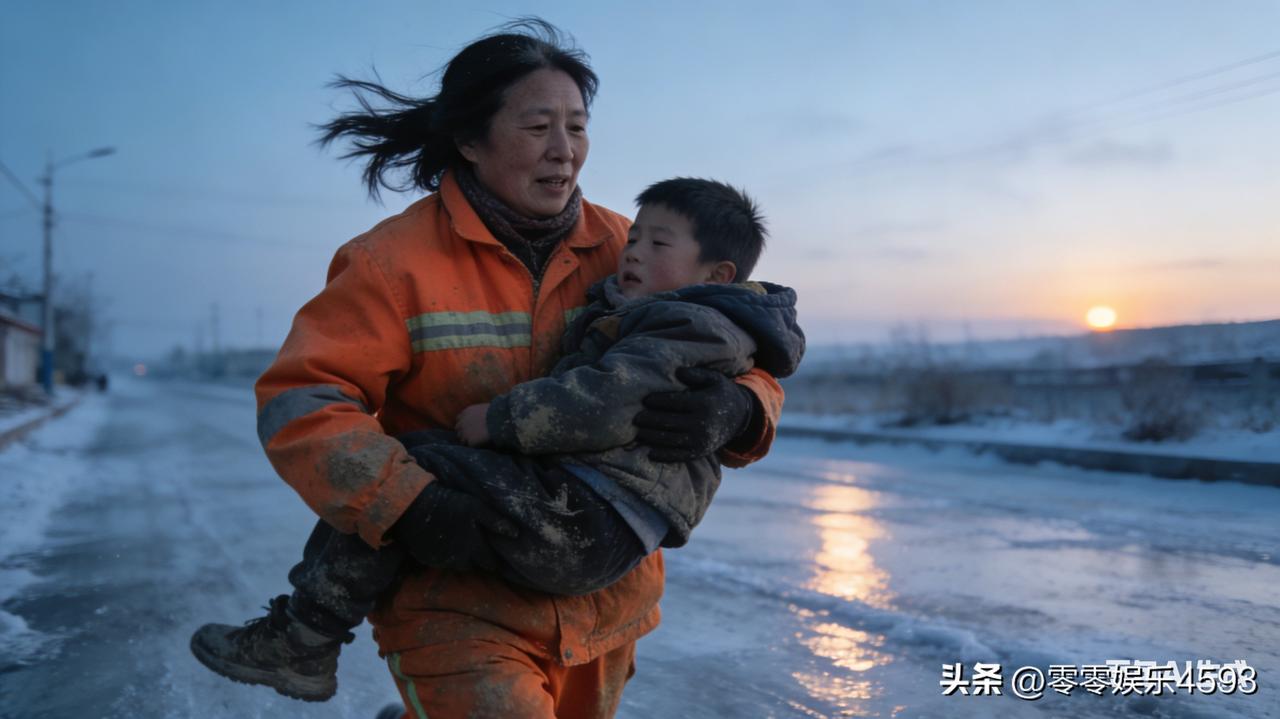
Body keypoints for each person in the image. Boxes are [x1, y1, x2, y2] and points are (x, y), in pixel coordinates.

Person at [190, 20, 785, 718]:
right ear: (471, 140)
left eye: (577, 127)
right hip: (452, 596)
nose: (564, 152)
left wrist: (743, 409)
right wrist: (411, 503)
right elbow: (303, 402)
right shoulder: (392, 263)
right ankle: (304, 633)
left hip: (601, 601)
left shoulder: (630, 250)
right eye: (538, 127)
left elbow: (734, 337)